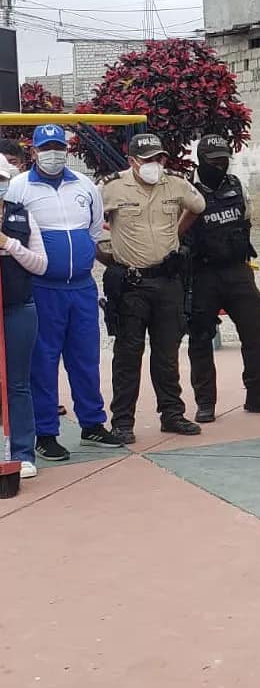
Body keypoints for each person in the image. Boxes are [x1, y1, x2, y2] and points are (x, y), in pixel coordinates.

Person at [6, 124, 121, 462]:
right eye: (46, 148)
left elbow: (93, 229)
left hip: (82, 287)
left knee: (85, 358)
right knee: (42, 362)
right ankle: (45, 432)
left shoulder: (85, 185)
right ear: (34, 151)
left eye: (58, 147)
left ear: (66, 149)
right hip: (42, 288)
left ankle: (92, 423)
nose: (52, 154)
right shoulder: (18, 187)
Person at [97, 133, 207, 443]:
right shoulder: (111, 187)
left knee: (167, 353)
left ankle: (172, 414)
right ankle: (122, 421)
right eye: (147, 159)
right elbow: (87, 221)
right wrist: (104, 254)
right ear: (132, 161)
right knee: (127, 355)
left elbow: (198, 206)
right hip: (131, 284)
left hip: (167, 281)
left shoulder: (175, 184)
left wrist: (176, 232)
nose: (154, 164)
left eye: (159, 158)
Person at [181, 134, 260, 423]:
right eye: (214, 161)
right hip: (201, 274)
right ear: (201, 161)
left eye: (224, 160)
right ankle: (205, 402)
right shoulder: (185, 190)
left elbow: (246, 220)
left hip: (237, 270)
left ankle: (257, 394)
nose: (220, 166)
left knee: (258, 327)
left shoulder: (236, 186)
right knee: (200, 337)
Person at [0, 165, 48, 479]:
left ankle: (21, 453)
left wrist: (9, 244)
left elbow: (41, 265)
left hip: (18, 308)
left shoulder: (22, 216)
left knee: (18, 383)